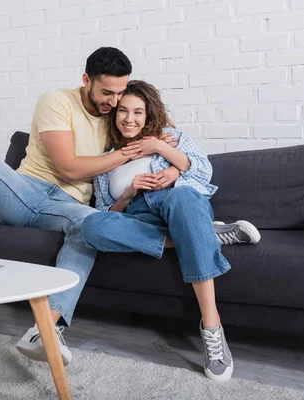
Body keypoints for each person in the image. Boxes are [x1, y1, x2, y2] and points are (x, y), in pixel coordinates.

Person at [0, 47, 182, 367]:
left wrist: (172, 162)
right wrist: (130, 153)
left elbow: (156, 128)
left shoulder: (118, 113)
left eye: (119, 93)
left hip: (69, 207)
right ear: (86, 80)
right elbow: (69, 168)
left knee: (92, 224)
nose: (113, 102)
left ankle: (47, 330)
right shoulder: (55, 101)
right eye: (106, 92)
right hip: (24, 192)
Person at [81, 80, 260, 382]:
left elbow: (203, 171)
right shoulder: (109, 156)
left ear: (148, 113)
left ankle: (212, 326)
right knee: (90, 226)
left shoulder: (170, 137)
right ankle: (203, 235)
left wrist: (161, 152)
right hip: (139, 220)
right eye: (123, 111)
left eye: (138, 112)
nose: (129, 118)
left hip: (179, 204)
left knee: (181, 195)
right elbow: (106, 215)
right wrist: (127, 194)